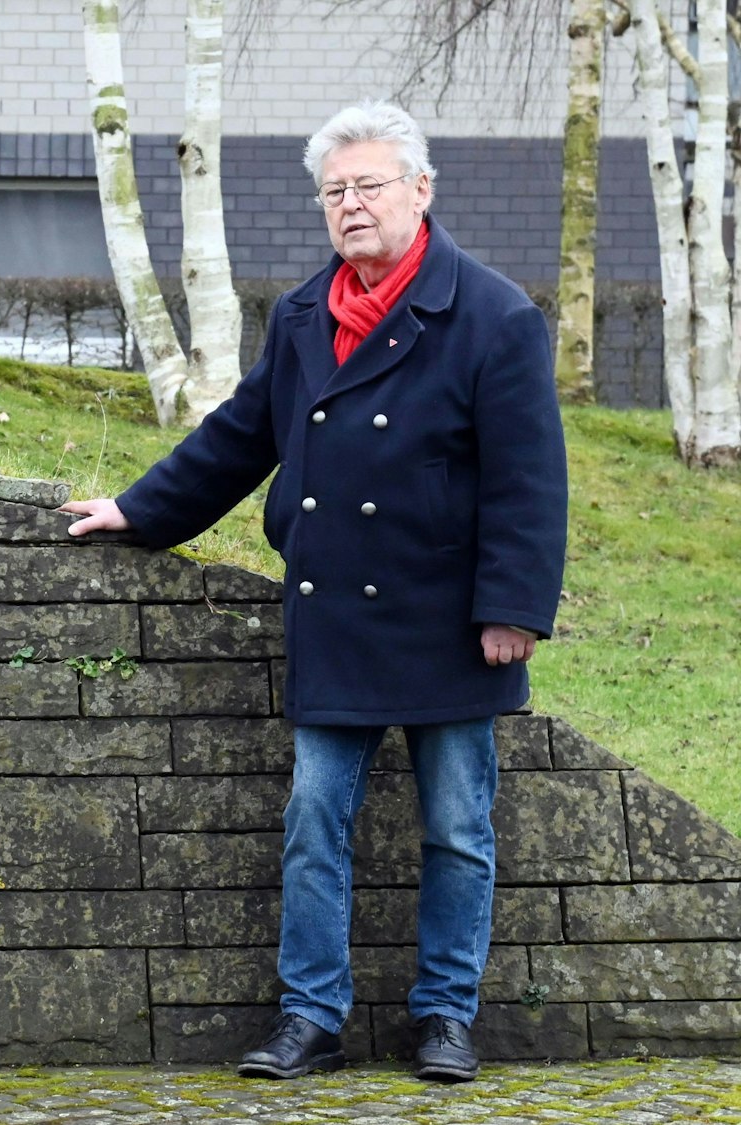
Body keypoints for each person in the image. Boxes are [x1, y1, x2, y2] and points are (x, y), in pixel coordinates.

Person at [60, 102, 567, 1083]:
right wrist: (137, 509)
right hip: (332, 614)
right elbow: (238, 438)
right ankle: (309, 1016)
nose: (348, 205)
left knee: (458, 831)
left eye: (367, 185)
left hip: (451, 625)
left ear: (419, 191)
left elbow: (526, 479)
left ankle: (442, 1019)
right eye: (332, 191)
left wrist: (510, 606)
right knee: (310, 824)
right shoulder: (301, 316)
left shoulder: (494, 316)